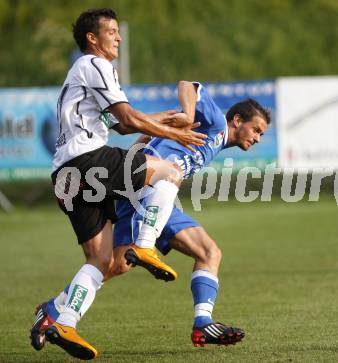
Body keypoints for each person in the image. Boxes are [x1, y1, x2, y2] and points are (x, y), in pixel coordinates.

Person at [33, 80, 271, 349]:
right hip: (145, 194)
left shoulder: (215, 139)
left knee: (206, 253)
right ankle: (59, 311)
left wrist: (139, 151)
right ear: (237, 120)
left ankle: (203, 324)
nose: (257, 137)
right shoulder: (215, 122)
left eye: (262, 134)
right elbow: (188, 86)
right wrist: (189, 116)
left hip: (159, 199)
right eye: (256, 130)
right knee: (114, 263)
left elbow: (151, 135)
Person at [29, 9, 206, 360]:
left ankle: (62, 321)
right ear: (92, 39)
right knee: (170, 171)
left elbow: (122, 125)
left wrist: (168, 119)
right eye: (111, 31)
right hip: (87, 160)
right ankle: (144, 244)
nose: (118, 37)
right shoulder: (94, 64)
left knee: (102, 260)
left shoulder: (84, 73)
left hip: (64, 176)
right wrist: (174, 132)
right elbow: (126, 118)